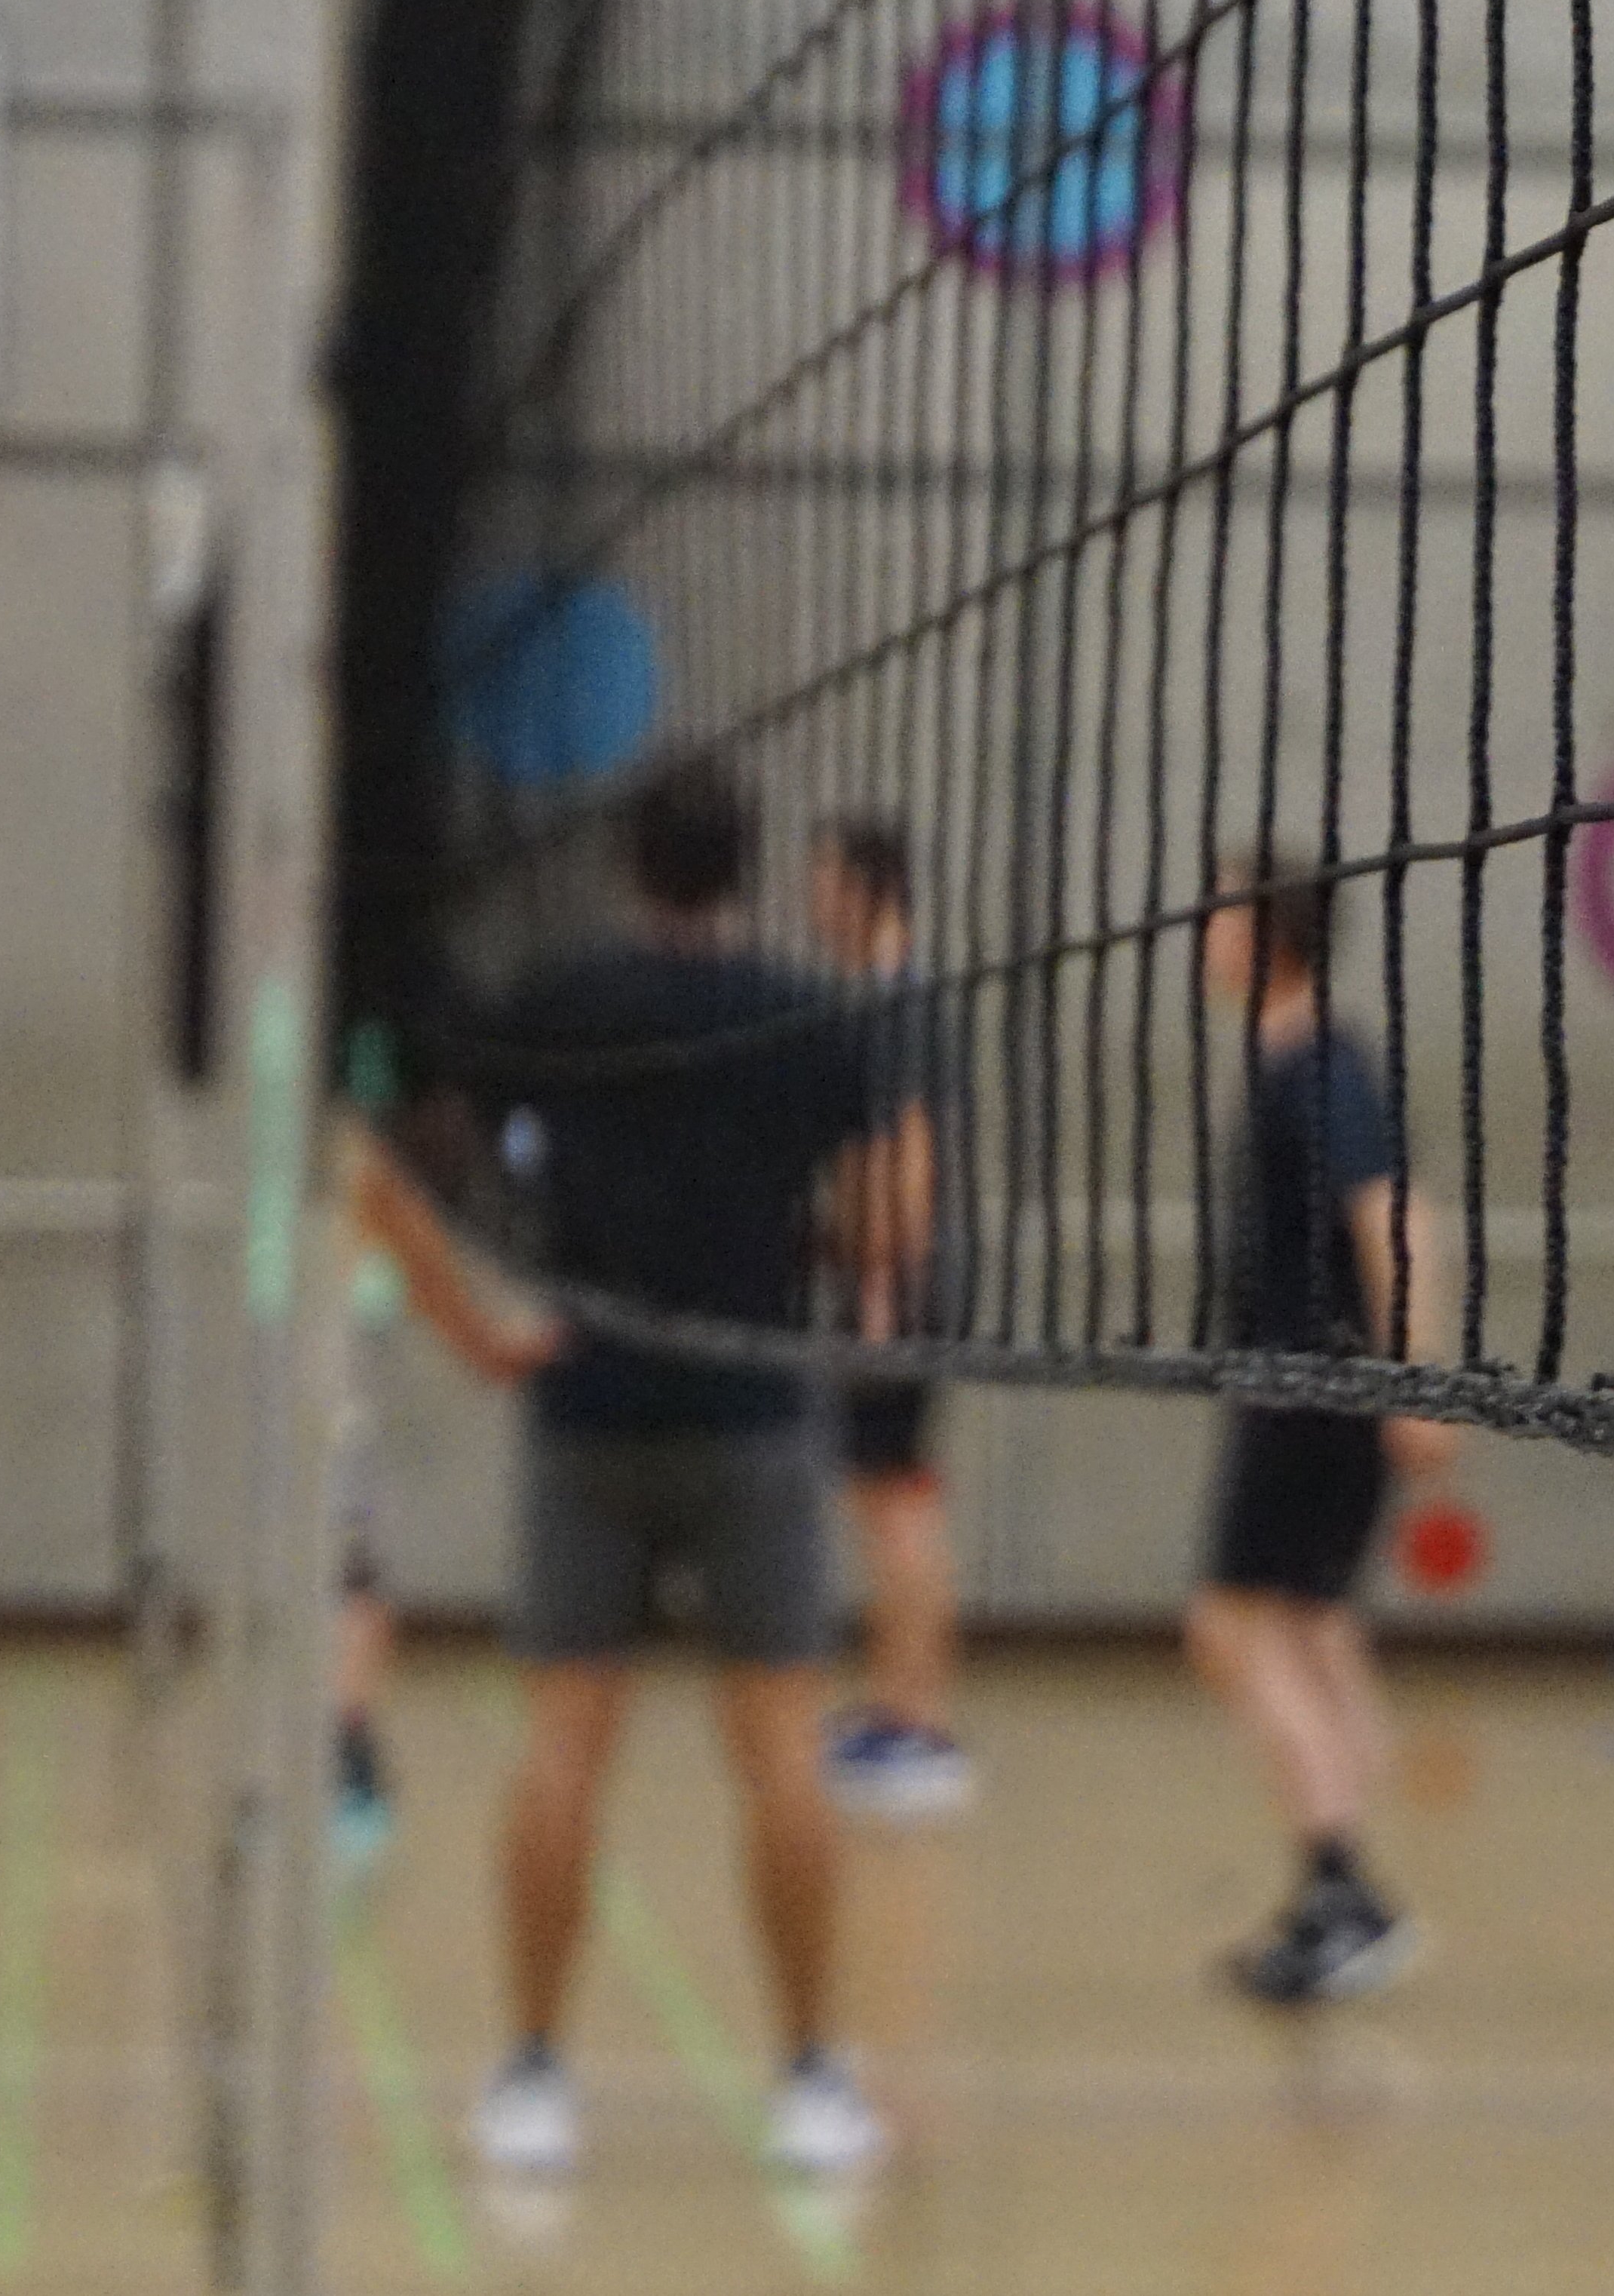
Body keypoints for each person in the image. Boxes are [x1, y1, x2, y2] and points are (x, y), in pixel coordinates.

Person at [453, 763, 889, 2179]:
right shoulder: (807, 1020)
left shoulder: (559, 1004)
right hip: (753, 1407)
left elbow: (440, 1147)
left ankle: (531, 2076)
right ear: (747, 869)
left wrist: (506, 1286)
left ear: (633, 868)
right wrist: (804, 1258)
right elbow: (880, 1219)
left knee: (565, 1749)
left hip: (584, 1407)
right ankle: (813, 2079)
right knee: (781, 1754)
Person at [1184, 859, 1459, 2008]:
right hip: (1299, 1385)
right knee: (1301, 1620)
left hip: (1317, 1388)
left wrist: (1416, 1381)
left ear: (1268, 936)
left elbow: (1395, 1215)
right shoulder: (1289, 1064)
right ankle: (1342, 1865)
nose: (1203, 935)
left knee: (1230, 1621)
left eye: (1222, 915)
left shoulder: (1322, 1070)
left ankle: (1342, 1885)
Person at [321, 1036, 563, 1873]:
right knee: (352, 1582)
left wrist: (482, 1344)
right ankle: (344, 1757)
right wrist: (484, 1344)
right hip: (317, 1410)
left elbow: (414, 1248)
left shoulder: (335, 1143)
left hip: (318, 1407)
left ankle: (339, 1755)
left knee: (347, 1579)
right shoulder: (350, 1149)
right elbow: (418, 1247)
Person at [808, 818, 974, 1822]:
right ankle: (893, 1703)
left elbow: (905, 1154)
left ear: (869, 890)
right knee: (885, 1501)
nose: (813, 902)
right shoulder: (875, 999)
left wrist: (878, 1285)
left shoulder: (895, 1006)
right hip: (886, 1272)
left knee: (899, 1504)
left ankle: (918, 1720)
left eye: (824, 883)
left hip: (898, 1282)